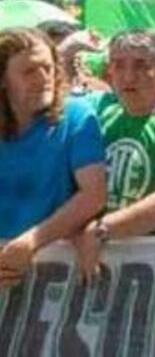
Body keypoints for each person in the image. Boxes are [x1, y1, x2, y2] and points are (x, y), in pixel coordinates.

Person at [75, 29, 155, 280]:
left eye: (140, 65)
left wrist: (102, 230)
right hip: (97, 261)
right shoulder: (102, 118)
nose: (128, 76)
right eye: (118, 65)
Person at [0, 28, 106, 287]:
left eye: (47, 68)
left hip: (56, 276)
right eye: (29, 71)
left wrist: (32, 241)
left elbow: (94, 194)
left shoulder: (77, 117)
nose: (42, 78)